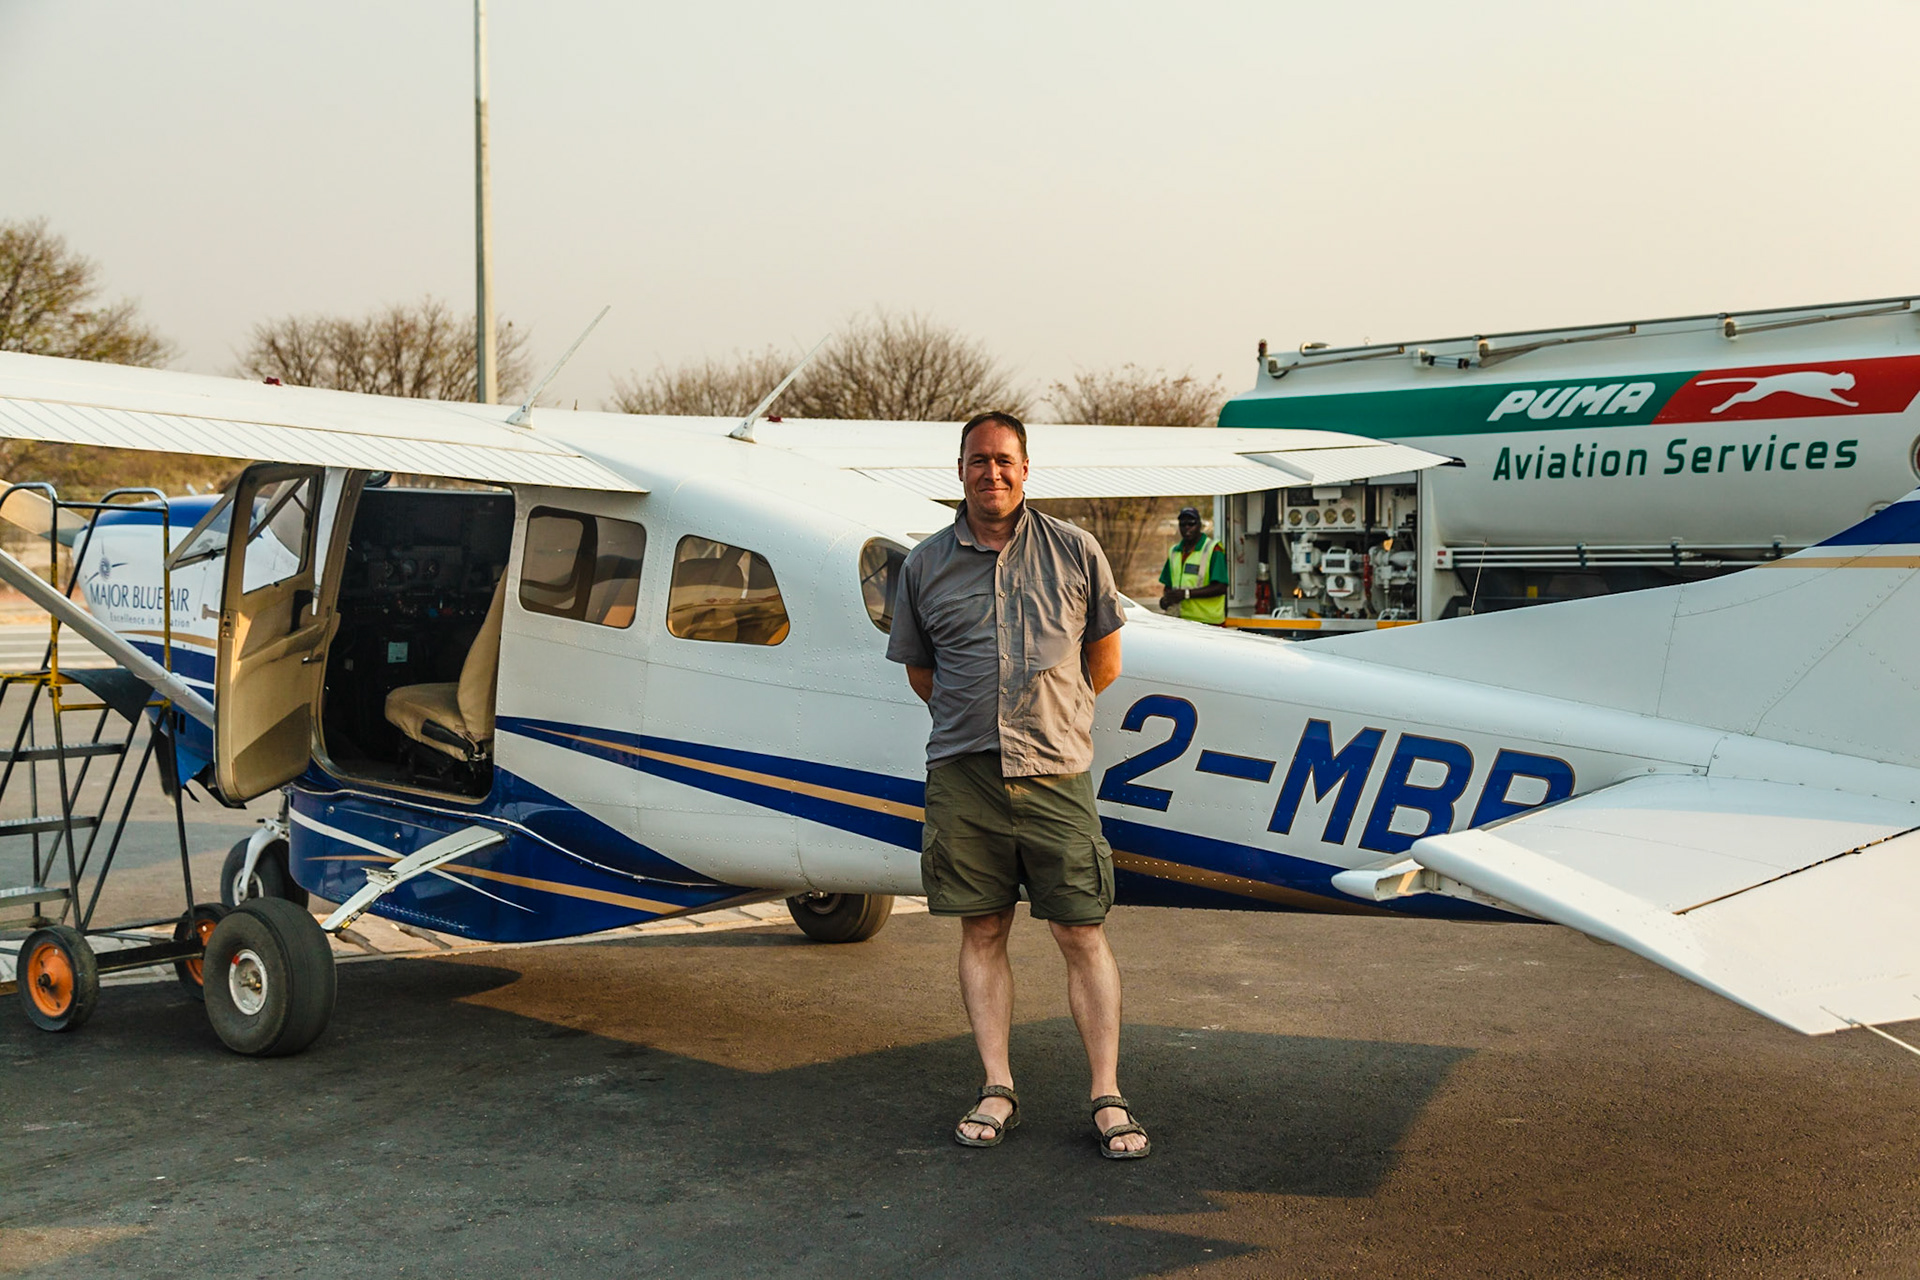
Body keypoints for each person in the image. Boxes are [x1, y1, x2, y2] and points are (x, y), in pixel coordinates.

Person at [886, 410, 1149, 1160]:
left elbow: (1105, 660)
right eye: (978, 461)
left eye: (1004, 460)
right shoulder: (925, 564)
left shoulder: (1075, 550)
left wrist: (1054, 722)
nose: (991, 473)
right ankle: (996, 1086)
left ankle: (1107, 1095)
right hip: (964, 772)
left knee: (1080, 930)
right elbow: (920, 671)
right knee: (984, 928)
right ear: (960, 469)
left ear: (1026, 470)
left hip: (1056, 770)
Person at [1158, 506, 1228, 625]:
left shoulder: (1213, 549)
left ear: (1199, 525)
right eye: (1183, 524)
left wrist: (1186, 594)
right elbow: (1168, 586)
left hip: (1208, 621)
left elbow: (1221, 587)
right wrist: (1167, 599)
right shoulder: (1174, 552)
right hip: (1181, 620)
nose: (1187, 528)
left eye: (1191, 523)